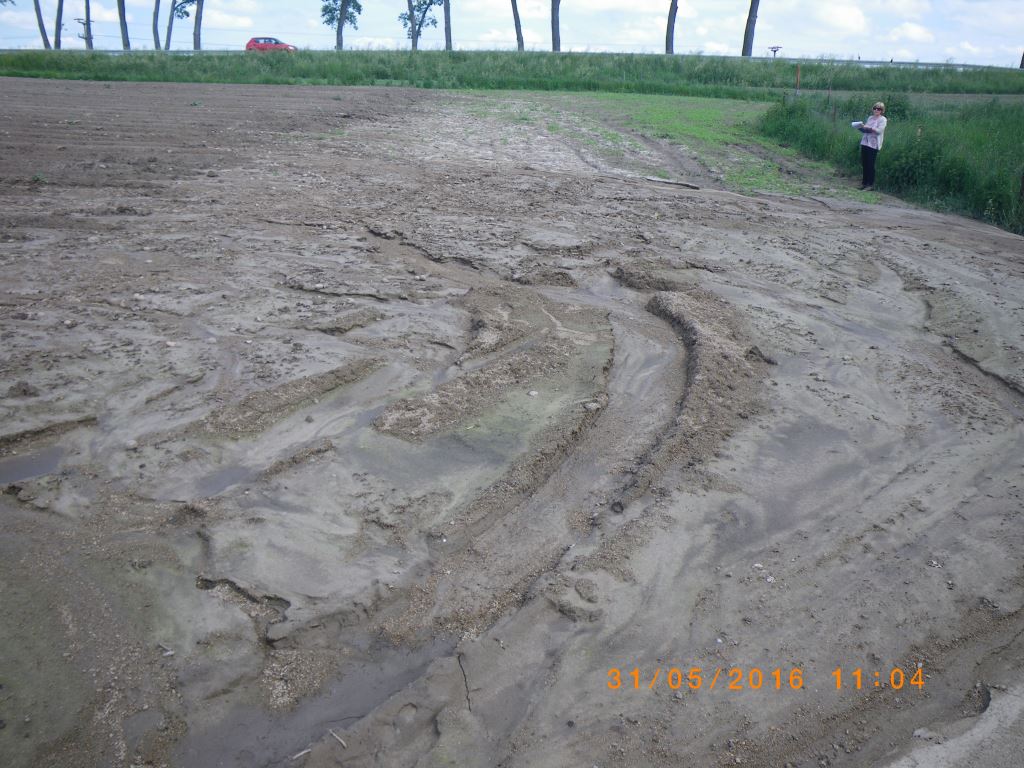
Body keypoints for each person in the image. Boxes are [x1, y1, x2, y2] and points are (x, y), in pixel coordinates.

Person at [858, 102, 887, 191]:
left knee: (870, 164)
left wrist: (869, 128)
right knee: (864, 163)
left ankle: (870, 185)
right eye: (875, 108)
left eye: (879, 109)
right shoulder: (870, 118)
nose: (876, 110)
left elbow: (879, 131)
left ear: (882, 111)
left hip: (873, 144)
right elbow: (866, 128)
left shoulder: (883, 119)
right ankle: (864, 183)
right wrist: (861, 128)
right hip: (865, 142)